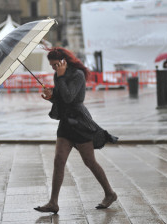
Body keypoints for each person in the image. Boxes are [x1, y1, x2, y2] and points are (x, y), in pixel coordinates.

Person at [34, 47, 118, 214]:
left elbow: (69, 97)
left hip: (80, 124)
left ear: (64, 61)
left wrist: (61, 77)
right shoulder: (59, 74)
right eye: (51, 66)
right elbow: (61, 99)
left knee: (89, 162)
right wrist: (51, 97)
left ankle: (110, 193)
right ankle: (53, 202)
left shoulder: (77, 75)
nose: (53, 68)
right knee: (59, 161)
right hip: (66, 124)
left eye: (55, 64)